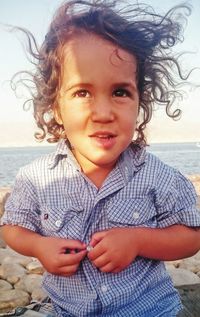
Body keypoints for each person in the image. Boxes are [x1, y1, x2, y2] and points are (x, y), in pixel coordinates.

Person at [1, 1, 200, 316]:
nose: (103, 113)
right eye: (82, 93)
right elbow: (12, 227)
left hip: (148, 309)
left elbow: (190, 237)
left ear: (139, 103)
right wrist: (39, 246)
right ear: (56, 104)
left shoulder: (159, 176)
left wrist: (138, 240)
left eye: (120, 92)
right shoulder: (35, 178)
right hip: (68, 310)